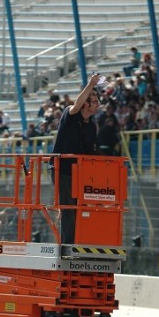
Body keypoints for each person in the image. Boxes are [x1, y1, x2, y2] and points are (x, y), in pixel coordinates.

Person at [50, 73, 101, 244]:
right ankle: (67, 245)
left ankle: (82, 241)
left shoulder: (93, 126)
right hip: (62, 169)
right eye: (94, 101)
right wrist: (90, 84)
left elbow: (90, 152)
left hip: (80, 172)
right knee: (69, 209)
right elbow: (77, 104)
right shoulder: (70, 115)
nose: (98, 104)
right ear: (86, 103)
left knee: (83, 208)